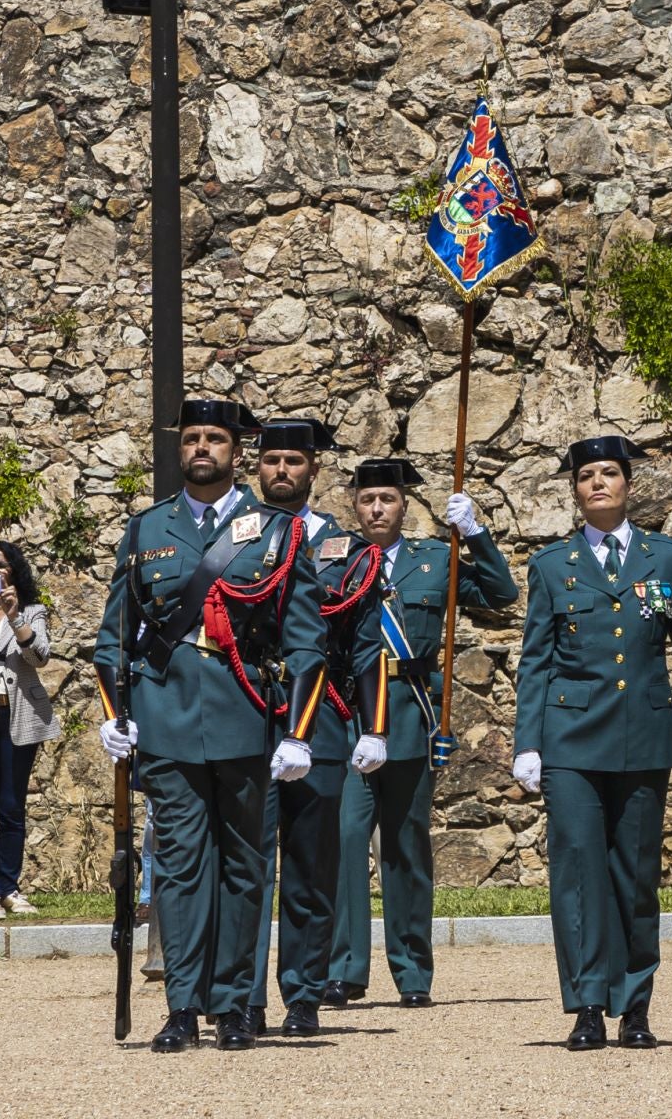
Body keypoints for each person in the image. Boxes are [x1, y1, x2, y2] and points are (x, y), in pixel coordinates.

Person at [93, 399, 327, 1052]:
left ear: (236, 451)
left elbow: (307, 643)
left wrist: (300, 732)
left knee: (246, 867)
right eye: (191, 437)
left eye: (214, 438)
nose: (201, 447)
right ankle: (181, 1007)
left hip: (247, 716)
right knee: (180, 866)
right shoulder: (145, 530)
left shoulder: (278, 531)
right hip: (166, 719)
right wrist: (117, 717)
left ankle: (232, 1005)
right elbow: (114, 639)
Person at [512, 435, 672, 1051]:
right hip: (570, 740)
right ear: (574, 491)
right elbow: (536, 661)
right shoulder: (553, 565)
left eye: (608, 473)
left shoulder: (666, 558)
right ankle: (585, 1006)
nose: (597, 484)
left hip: (641, 737)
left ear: (628, 484)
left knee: (634, 875)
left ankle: (634, 1006)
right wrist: (530, 743)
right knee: (577, 873)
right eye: (585, 477)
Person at [325, 458, 516, 1011]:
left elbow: (500, 593)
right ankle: (345, 970)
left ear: (405, 505)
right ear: (355, 507)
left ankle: (412, 971)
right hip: (351, 712)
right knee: (344, 840)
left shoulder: (436, 560)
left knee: (406, 847)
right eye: (367, 500)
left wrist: (475, 535)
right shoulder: (337, 562)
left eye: (387, 498)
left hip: (410, 711)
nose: (377, 508)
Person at [240, 419, 384, 1038]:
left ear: (313, 470)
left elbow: (370, 645)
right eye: (270, 459)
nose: (281, 470)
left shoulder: (347, 549)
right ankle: (241, 994)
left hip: (319, 716)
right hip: (244, 709)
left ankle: (302, 991)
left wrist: (373, 728)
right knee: (246, 864)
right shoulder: (233, 538)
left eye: (293, 461)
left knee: (311, 861)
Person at [0, 538, 54, 917]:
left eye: (0, 565)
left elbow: (40, 656)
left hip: (14, 716)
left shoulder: (31, 610)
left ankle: (6, 888)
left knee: (11, 805)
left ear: (13, 571)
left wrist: (14, 617)